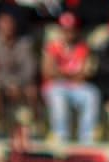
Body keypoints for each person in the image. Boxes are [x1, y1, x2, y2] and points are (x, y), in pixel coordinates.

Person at [43, 12, 101, 144]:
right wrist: (69, 75)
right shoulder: (53, 46)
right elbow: (47, 71)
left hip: (76, 87)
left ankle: (87, 137)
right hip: (56, 86)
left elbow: (85, 73)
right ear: (61, 30)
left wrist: (62, 73)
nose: (69, 33)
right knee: (58, 95)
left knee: (92, 93)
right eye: (66, 30)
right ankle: (61, 136)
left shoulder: (83, 47)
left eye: (72, 30)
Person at [0, 10, 40, 140]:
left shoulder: (25, 44)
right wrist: (9, 84)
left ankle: (33, 129)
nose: (7, 27)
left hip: (21, 84)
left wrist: (17, 84)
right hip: (2, 83)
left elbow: (30, 69)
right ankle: (0, 128)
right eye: (4, 24)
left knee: (33, 90)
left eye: (10, 24)